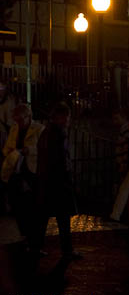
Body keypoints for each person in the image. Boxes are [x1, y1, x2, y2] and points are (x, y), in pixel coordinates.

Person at [32, 102, 80, 263]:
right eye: (67, 117)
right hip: (58, 183)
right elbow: (61, 160)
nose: (69, 120)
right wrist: (68, 178)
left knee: (43, 217)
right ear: (62, 117)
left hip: (46, 182)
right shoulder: (59, 134)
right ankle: (67, 250)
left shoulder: (46, 132)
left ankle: (36, 247)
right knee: (63, 218)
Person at [1, 103, 44, 243]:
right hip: (16, 169)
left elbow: (43, 149)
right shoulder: (14, 129)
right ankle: (24, 232)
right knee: (17, 202)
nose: (18, 123)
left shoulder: (38, 129)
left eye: (20, 120)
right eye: (16, 120)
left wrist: (28, 150)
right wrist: (9, 152)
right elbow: (7, 146)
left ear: (28, 116)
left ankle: (33, 235)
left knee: (32, 204)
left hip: (31, 169)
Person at [0, 81, 16, 152]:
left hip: (4, 131)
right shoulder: (9, 100)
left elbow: (10, 118)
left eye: (2, 88)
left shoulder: (9, 101)